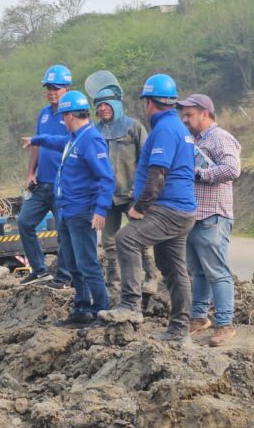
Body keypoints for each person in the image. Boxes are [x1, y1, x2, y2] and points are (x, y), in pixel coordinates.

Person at [98, 74, 197, 344]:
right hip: (181, 210)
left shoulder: (164, 130)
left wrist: (140, 207)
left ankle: (130, 304)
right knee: (173, 268)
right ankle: (179, 330)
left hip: (169, 209)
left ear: (150, 103)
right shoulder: (177, 127)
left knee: (125, 239)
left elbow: (158, 174)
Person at [22, 90, 115, 327]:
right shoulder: (74, 139)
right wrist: (36, 140)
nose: (62, 121)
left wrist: (100, 210)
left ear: (71, 116)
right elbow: (55, 141)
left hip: (82, 212)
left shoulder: (91, 140)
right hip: (67, 212)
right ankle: (81, 308)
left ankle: (101, 311)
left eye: (64, 117)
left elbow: (106, 178)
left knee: (88, 264)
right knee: (73, 264)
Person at [177, 94, 242, 347]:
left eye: (189, 115)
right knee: (198, 271)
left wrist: (200, 174)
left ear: (204, 113)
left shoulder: (220, 138)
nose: (185, 120)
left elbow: (232, 169)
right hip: (194, 215)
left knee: (217, 271)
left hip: (213, 215)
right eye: (183, 115)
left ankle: (225, 324)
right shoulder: (192, 140)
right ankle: (199, 317)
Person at [92, 86, 161, 297]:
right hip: (108, 197)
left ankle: (151, 278)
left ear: (117, 105)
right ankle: (114, 285)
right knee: (109, 242)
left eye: (107, 104)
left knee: (141, 237)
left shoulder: (134, 127)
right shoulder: (95, 132)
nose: (103, 109)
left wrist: (140, 192)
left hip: (133, 195)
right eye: (99, 105)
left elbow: (148, 159)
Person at [17, 65, 73, 287]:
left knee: (63, 232)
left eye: (56, 88)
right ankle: (40, 270)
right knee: (24, 222)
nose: (51, 92)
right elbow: (37, 146)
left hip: (64, 185)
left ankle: (64, 277)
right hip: (43, 183)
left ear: (67, 88)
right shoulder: (44, 113)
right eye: (48, 88)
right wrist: (31, 172)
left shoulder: (72, 114)